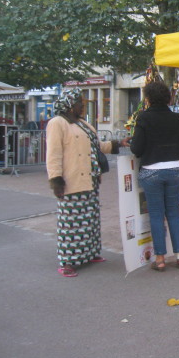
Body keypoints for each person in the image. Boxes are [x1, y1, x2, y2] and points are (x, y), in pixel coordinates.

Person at [46, 88, 129, 278]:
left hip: (90, 180)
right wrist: (56, 180)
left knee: (89, 220)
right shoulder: (57, 123)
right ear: (68, 105)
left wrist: (118, 143)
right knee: (71, 223)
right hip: (72, 180)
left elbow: (98, 146)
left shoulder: (83, 124)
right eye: (78, 104)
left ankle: (89, 253)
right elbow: (53, 155)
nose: (81, 106)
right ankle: (67, 261)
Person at [130, 80, 179, 271]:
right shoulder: (175, 118)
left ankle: (160, 259)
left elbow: (137, 148)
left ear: (148, 98)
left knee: (156, 215)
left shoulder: (144, 118)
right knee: (173, 212)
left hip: (152, 170)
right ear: (167, 97)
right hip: (175, 168)